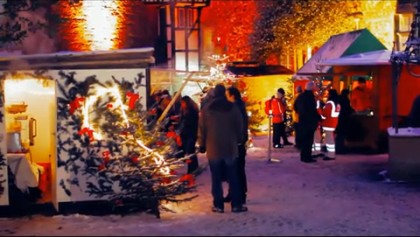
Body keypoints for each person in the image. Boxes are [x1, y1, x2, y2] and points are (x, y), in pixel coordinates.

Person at [198, 84, 247, 213]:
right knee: (233, 177)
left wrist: (202, 144)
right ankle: (236, 204)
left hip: (213, 147)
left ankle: (218, 205)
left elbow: (202, 129)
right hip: (230, 147)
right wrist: (239, 139)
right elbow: (239, 125)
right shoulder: (232, 108)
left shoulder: (207, 109)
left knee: (216, 177)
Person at [223, 86, 249, 206]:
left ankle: (240, 195)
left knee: (237, 169)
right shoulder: (236, 106)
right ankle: (233, 193)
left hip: (236, 143)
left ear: (232, 95)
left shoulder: (236, 107)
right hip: (235, 142)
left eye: (227, 95)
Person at [294, 81, 321, 163]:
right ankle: (307, 157)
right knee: (308, 140)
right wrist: (318, 117)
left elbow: (295, 106)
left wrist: (300, 114)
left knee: (304, 139)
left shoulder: (301, 96)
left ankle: (304, 156)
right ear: (312, 88)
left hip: (302, 121)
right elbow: (312, 110)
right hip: (309, 122)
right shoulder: (310, 97)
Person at [178, 95, 200, 174]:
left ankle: (192, 169)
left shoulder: (191, 111)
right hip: (186, 133)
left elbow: (191, 123)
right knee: (190, 150)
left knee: (189, 151)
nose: (182, 105)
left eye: (183, 103)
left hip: (190, 133)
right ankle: (194, 167)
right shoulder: (185, 111)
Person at [320, 89, 341, 160]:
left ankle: (331, 155)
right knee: (330, 138)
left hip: (328, 123)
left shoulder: (329, 103)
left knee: (329, 139)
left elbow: (324, 114)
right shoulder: (337, 103)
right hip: (334, 122)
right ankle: (330, 153)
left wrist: (320, 113)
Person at [335, 89, 354, 154]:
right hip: (343, 119)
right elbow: (347, 109)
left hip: (338, 119)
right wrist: (352, 111)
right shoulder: (345, 99)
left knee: (339, 135)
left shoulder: (339, 99)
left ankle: (338, 148)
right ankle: (340, 148)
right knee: (341, 135)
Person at [292, 85, 303, 150]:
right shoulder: (303, 96)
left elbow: (292, 106)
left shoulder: (295, 97)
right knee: (301, 132)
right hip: (301, 117)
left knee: (297, 132)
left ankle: (298, 144)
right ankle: (300, 144)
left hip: (295, 117)